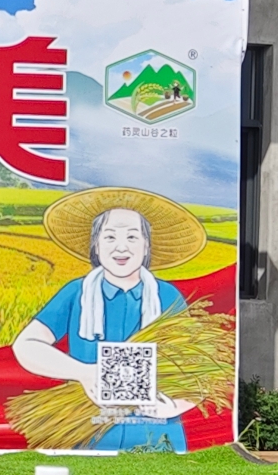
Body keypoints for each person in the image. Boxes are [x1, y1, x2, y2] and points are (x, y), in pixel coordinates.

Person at [11, 186, 205, 452]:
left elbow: (200, 368)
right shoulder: (76, 293)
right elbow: (26, 345)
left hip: (155, 434)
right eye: (110, 237)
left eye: (132, 237)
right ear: (96, 245)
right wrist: (84, 373)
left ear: (146, 246)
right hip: (86, 433)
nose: (121, 247)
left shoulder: (167, 296)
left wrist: (173, 406)